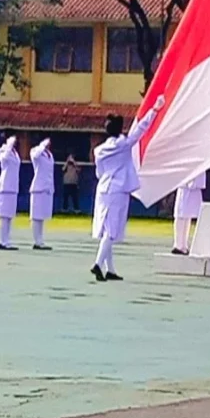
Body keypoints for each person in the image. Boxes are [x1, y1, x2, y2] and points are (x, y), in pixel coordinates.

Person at [91, 95, 165, 282]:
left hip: (103, 189)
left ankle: (110, 269)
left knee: (107, 229)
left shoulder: (98, 150)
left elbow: (99, 172)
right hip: (118, 190)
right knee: (112, 231)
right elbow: (141, 129)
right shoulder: (123, 144)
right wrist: (154, 110)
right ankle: (98, 264)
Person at [0, 130, 20, 251]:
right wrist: (9, 145)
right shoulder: (3, 149)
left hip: (13, 186)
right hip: (4, 186)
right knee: (4, 216)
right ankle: (2, 241)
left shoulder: (15, 152)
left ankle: (7, 240)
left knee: (9, 216)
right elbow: (3, 159)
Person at [28, 137, 54, 250]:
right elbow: (35, 156)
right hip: (38, 187)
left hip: (47, 187)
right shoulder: (35, 151)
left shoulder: (49, 154)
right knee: (36, 216)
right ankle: (36, 241)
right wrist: (41, 146)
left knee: (42, 216)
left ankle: (40, 240)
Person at [171, 173, 205, 255]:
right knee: (181, 214)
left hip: (195, 181)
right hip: (185, 182)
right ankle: (179, 244)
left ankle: (183, 245)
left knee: (186, 215)